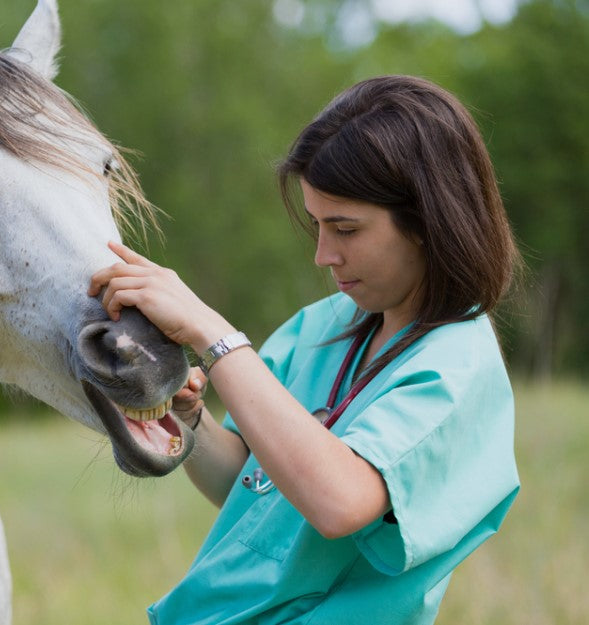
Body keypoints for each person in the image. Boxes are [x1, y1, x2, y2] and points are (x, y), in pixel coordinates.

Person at [88, 75, 521, 625]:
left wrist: (213, 336)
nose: (323, 254)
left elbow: (339, 503)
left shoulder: (456, 367)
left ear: (428, 220)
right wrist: (190, 418)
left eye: (345, 229)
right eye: (318, 225)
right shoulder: (327, 324)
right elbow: (252, 489)